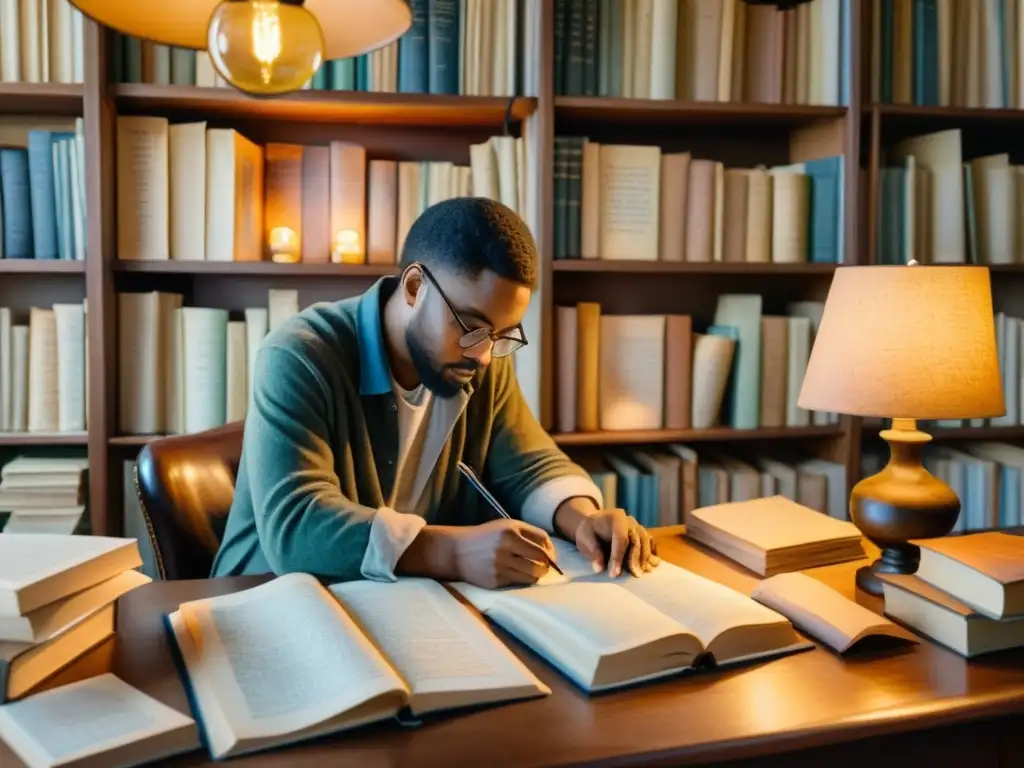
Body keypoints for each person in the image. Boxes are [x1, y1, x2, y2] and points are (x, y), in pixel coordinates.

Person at [211, 197, 660, 588]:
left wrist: (583, 518)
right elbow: (298, 528)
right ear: (413, 287)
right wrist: (453, 553)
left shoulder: (475, 362)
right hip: (264, 601)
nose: (484, 355)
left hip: (392, 602)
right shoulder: (300, 354)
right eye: (470, 326)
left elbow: (530, 463)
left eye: (502, 334)